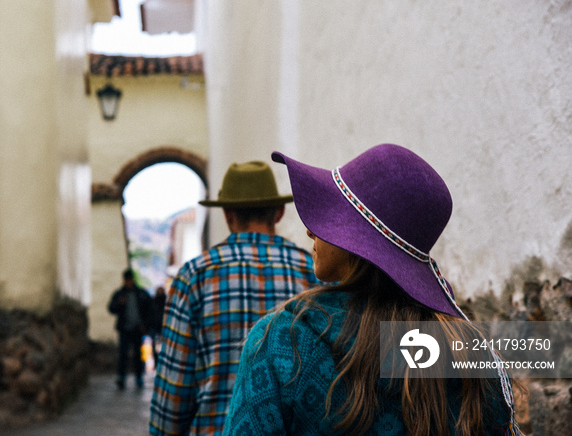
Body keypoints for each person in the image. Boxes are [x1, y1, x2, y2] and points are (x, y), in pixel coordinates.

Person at [223, 144, 521, 435]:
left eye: (331, 218)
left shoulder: (283, 341)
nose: (310, 230)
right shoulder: (471, 360)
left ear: (357, 240)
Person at [149, 160, 321, 435]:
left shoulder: (194, 277)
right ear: (278, 212)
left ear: (228, 214)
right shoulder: (314, 271)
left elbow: (174, 389)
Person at [108, 268, 153, 390]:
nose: (128, 282)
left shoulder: (141, 293)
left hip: (138, 329)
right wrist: (119, 303)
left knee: (138, 354)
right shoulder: (119, 294)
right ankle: (121, 377)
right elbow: (111, 308)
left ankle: (139, 377)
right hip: (125, 329)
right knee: (123, 354)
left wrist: (146, 325)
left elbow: (150, 310)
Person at [150, 285, 167, 365]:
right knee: (156, 348)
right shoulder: (155, 302)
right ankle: (157, 363)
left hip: (162, 328)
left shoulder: (164, 301)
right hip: (156, 327)